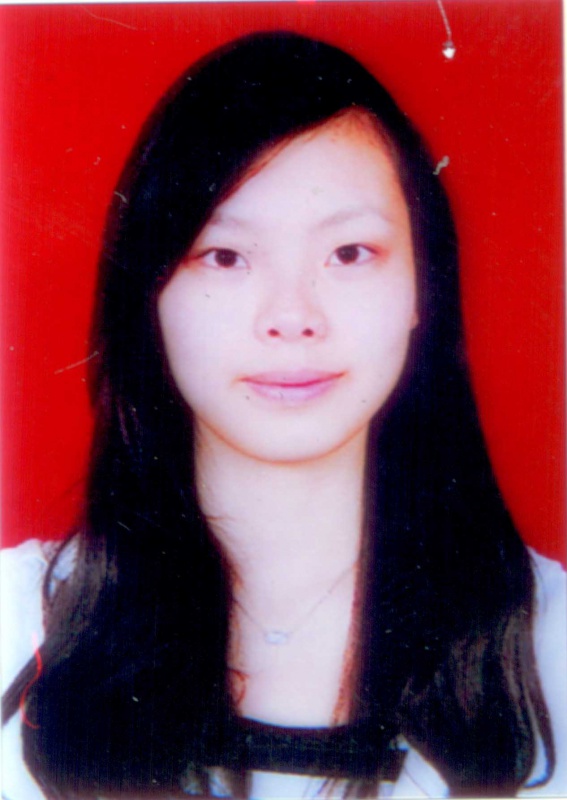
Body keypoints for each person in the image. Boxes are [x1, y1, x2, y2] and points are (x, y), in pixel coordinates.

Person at [2, 31, 566, 800]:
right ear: (150, 297)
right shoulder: (15, 625)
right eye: (225, 256)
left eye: (349, 253)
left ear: (421, 291)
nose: (293, 317)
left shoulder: (549, 644)